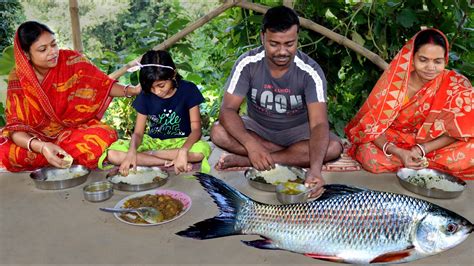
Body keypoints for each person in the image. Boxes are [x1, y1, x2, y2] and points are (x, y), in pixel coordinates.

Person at [210, 6, 343, 196]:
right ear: (263, 37)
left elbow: (319, 124)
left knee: (332, 148)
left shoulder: (310, 71)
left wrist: (315, 170)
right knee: (218, 132)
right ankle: (275, 155)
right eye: (274, 44)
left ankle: (252, 160)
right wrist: (251, 144)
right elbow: (227, 110)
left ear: (298, 38)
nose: (282, 52)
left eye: (289, 44)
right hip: (258, 128)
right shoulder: (247, 64)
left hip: (298, 133)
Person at [0, 21, 141, 171]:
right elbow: (16, 129)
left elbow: (100, 84)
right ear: (26, 54)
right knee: (6, 151)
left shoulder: (70, 60)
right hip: (35, 139)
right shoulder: (19, 78)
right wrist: (42, 147)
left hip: (71, 132)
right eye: (43, 49)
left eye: (54, 44)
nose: (53, 52)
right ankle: (56, 156)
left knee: (100, 137)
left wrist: (132, 91)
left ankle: (58, 156)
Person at [345, 28, 473, 179]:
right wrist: (398, 152)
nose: (430, 68)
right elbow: (371, 126)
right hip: (395, 142)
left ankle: (416, 162)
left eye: (437, 62)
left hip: (433, 145)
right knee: (368, 155)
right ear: (412, 58)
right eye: (423, 60)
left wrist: (421, 149)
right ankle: (416, 163)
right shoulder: (395, 85)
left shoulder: (455, 84)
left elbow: (460, 128)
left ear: (445, 60)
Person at [99, 50, 211, 175]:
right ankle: (165, 162)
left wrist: (183, 151)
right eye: (151, 88)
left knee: (200, 152)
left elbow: (196, 130)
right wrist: (131, 151)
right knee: (112, 154)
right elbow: (138, 133)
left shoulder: (188, 89)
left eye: (161, 85)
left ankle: (148, 157)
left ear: (173, 74)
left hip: (182, 141)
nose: (156, 91)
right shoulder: (145, 94)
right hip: (154, 142)